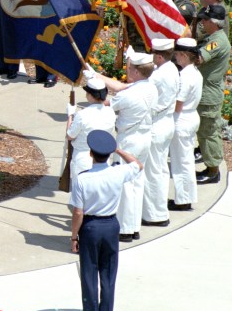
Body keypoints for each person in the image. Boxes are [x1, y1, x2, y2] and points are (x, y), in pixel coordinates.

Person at [69, 130, 144, 311]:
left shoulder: (82, 179)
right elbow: (138, 164)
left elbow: (78, 212)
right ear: (109, 154)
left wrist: (74, 237)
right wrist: (118, 149)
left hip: (91, 227)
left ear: (90, 154)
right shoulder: (117, 172)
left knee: (89, 276)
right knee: (109, 276)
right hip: (111, 225)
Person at [98, 50, 155, 242]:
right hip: (145, 137)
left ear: (138, 72)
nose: (128, 70)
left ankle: (125, 229)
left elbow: (109, 104)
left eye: (130, 68)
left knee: (124, 184)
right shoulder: (151, 88)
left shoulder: (130, 94)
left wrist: (96, 87)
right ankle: (134, 225)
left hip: (129, 139)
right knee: (137, 182)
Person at [142, 39, 179, 229]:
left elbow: (140, 90)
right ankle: (159, 209)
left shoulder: (158, 76)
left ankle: (155, 214)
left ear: (158, 55)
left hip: (157, 125)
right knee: (161, 170)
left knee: (153, 171)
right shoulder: (171, 68)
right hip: (166, 123)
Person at [195, 5, 231, 185]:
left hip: (209, 94)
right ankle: (210, 166)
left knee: (208, 132)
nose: (202, 22)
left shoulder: (217, 41)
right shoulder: (214, 37)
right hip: (206, 91)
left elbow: (199, 58)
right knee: (204, 132)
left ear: (213, 23)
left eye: (205, 20)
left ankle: (213, 170)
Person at [169, 37, 202, 211]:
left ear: (183, 55)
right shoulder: (195, 72)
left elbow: (177, 104)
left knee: (180, 161)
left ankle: (182, 200)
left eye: (177, 54)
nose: (175, 57)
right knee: (186, 160)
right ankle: (186, 197)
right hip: (190, 117)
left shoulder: (185, 76)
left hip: (182, 119)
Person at [66, 75, 117, 187]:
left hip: (83, 157)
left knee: (81, 194)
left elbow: (70, 135)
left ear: (90, 95)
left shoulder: (82, 115)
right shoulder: (110, 112)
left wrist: (70, 115)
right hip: (103, 157)